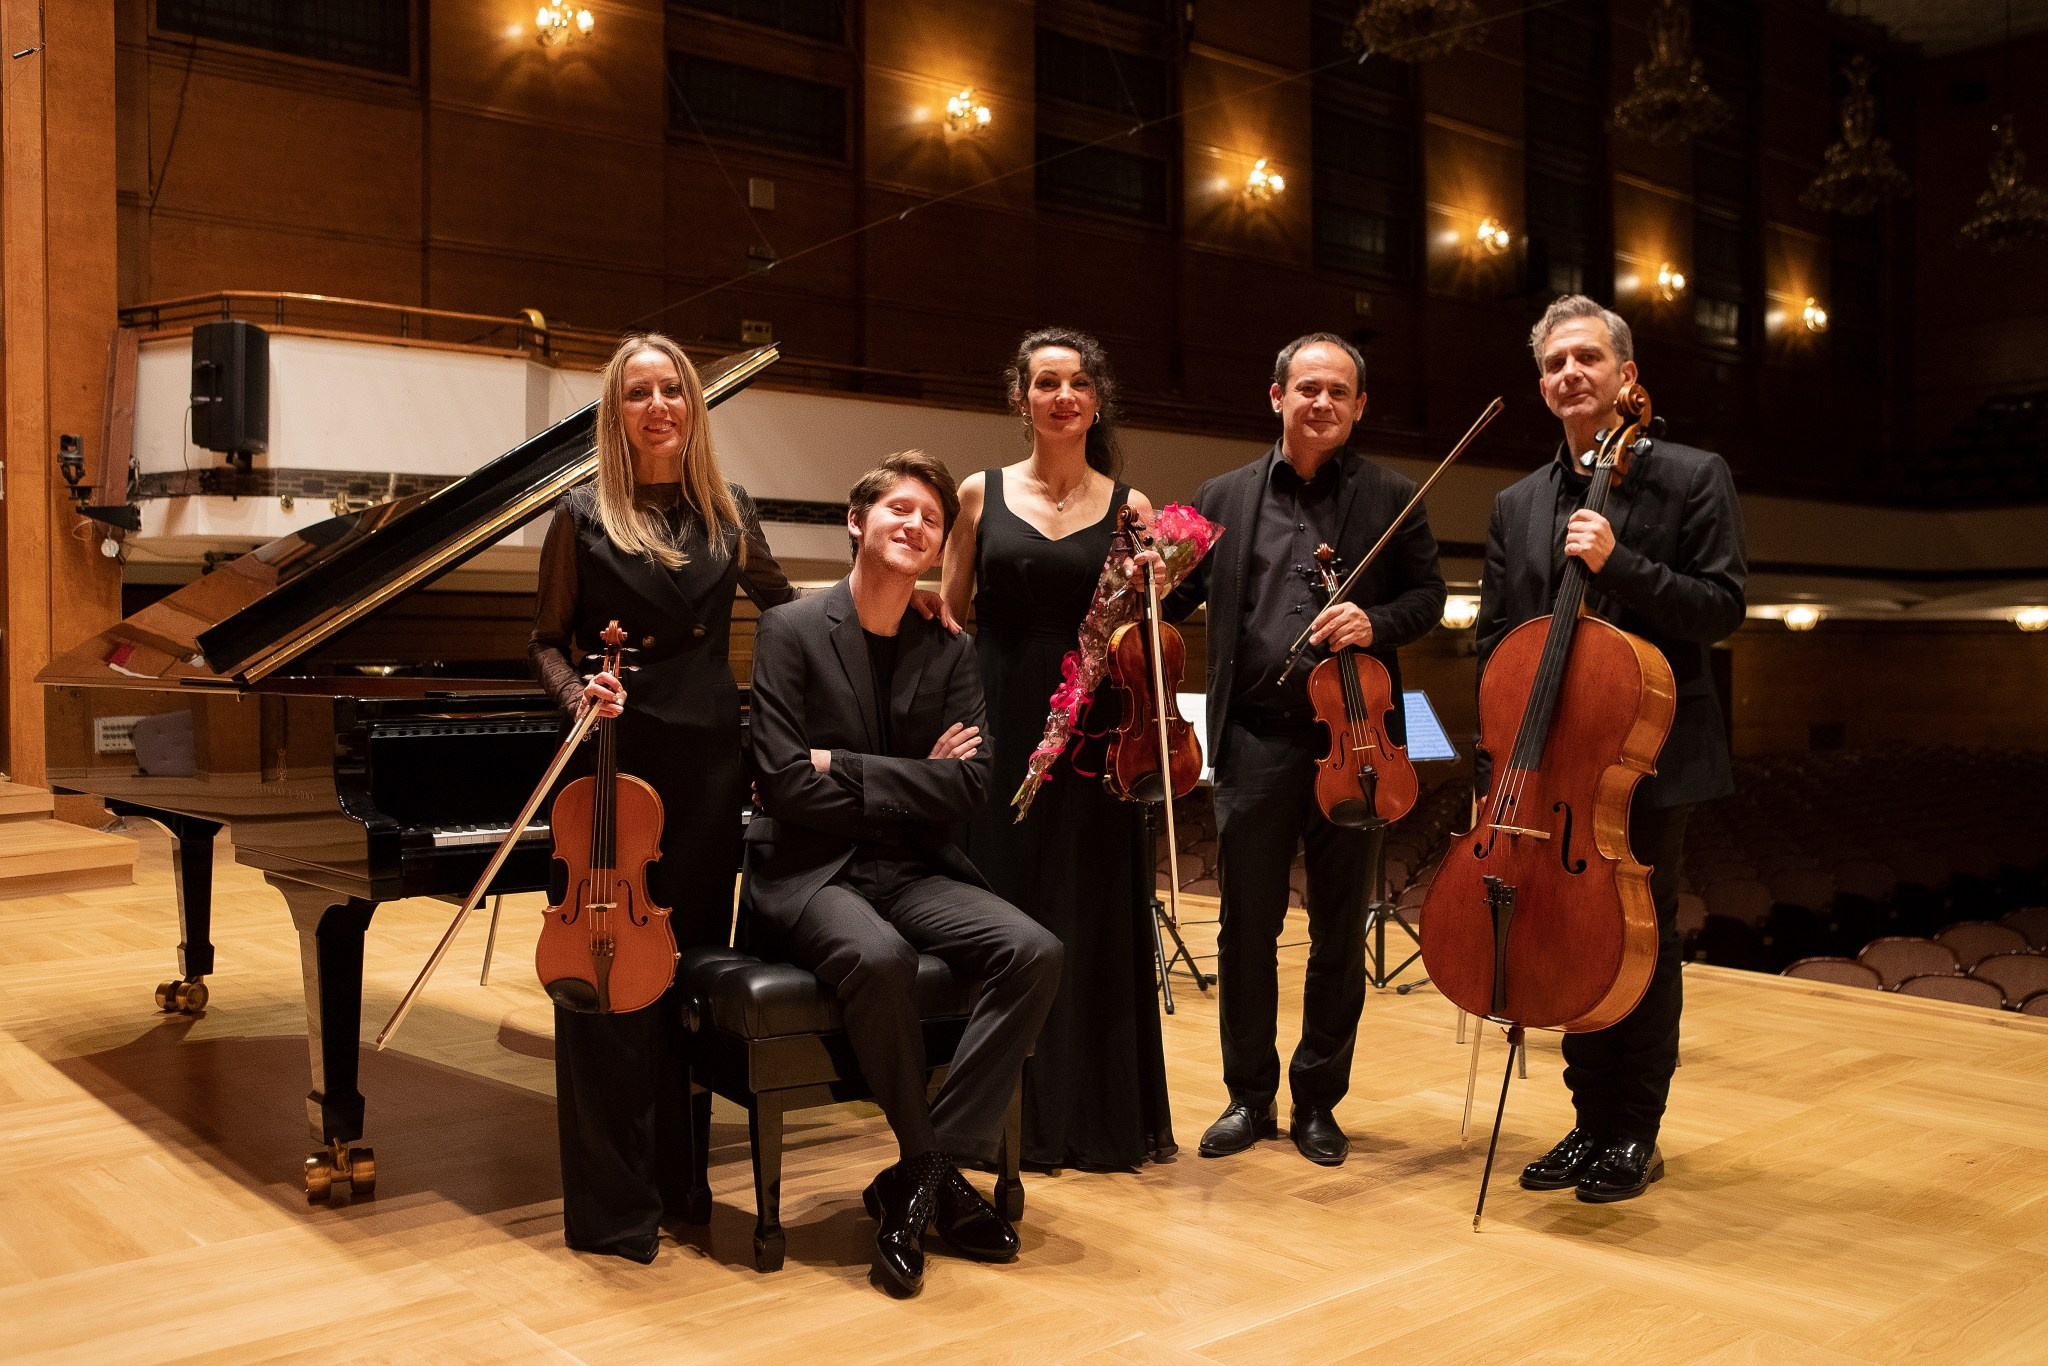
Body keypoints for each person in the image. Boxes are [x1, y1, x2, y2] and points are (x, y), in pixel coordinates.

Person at [745, 451, 1064, 1297]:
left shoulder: (949, 645)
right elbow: (782, 780)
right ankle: (933, 1173)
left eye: (931, 519)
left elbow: (969, 785)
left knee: (1034, 950)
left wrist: (842, 766)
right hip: (812, 871)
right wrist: (907, 778)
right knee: (879, 956)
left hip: (913, 867)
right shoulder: (790, 629)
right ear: (857, 522)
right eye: (899, 509)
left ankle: (920, 1172)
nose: (916, 525)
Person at [529, 332, 797, 1263]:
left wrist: (895, 595)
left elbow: (789, 610)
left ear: (693, 406)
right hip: (616, 766)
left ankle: (683, 1182)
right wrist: (579, 695)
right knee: (608, 984)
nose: (658, 407)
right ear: (618, 412)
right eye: (639, 393)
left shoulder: (729, 513)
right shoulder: (582, 516)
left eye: (672, 390)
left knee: (688, 974)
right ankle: (614, 1205)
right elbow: (547, 640)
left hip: (709, 770)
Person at [1480, 295, 1746, 1204]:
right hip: (1550, 762)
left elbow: (1720, 608)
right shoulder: (1517, 503)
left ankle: (1634, 1129)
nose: (1570, 375)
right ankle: (1586, 1121)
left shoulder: (1692, 475)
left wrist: (1618, 560)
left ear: (1626, 374)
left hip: (1650, 757)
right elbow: (1495, 639)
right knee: (1566, 934)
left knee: (1639, 938)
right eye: (1554, 364)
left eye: (1587, 358)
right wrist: (1496, 757)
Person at [1163, 333, 1446, 1167]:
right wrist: (1137, 576)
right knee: (1244, 929)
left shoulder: (1393, 495)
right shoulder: (1221, 497)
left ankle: (1318, 1101)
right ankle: (1248, 1098)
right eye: (1308, 388)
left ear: (1359, 406)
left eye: (1339, 392)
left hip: (1356, 740)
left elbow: (1429, 596)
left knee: (1337, 931)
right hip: (1254, 737)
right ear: (1277, 396)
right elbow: (1173, 597)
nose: (1322, 402)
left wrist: (1375, 620)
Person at [941, 327, 1176, 1172]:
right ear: (1022, 398)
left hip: (1093, 734)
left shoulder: (1134, 507)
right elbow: (948, 615)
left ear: (1096, 401)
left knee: (1088, 909)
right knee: (1000, 900)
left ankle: (1086, 1119)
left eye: (1078, 383)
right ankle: (984, 1117)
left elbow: (1142, 634)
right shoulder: (978, 494)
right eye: (1046, 382)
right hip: (999, 721)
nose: (1063, 396)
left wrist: (1158, 591)